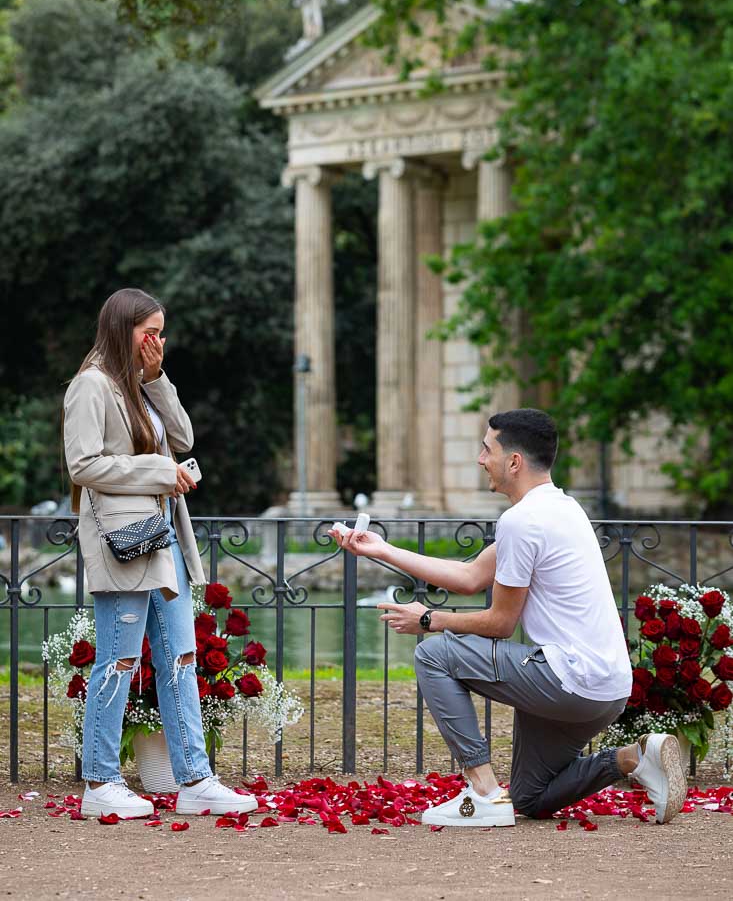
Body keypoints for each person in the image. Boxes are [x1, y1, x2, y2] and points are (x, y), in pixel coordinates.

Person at [333, 408, 686, 828]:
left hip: (569, 679)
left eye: (487, 449)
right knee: (531, 798)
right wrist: (383, 550)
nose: (481, 459)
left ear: (513, 461)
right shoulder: (562, 507)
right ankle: (634, 758)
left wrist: (429, 619)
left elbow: (501, 624)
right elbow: (469, 577)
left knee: (434, 655)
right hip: (608, 690)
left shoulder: (522, 521)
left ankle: (482, 791)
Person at [64, 288, 257, 819]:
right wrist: (156, 472)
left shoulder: (139, 386)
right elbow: (82, 466)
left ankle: (194, 779)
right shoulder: (91, 386)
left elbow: (185, 437)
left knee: (180, 659)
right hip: (126, 542)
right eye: (147, 331)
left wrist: (157, 379)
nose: (156, 340)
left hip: (164, 539)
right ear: (120, 328)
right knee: (118, 662)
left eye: (160, 331)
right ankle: (100, 783)